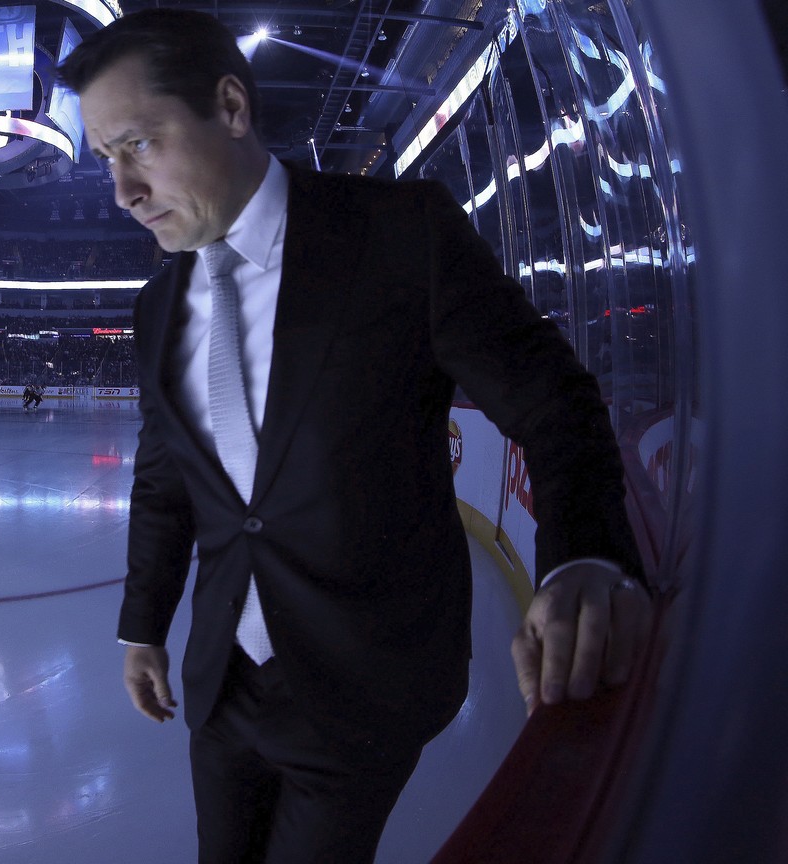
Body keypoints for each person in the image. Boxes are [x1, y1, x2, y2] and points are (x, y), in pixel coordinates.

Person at [58, 10, 653, 863]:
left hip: (361, 690)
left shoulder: (400, 234)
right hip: (222, 684)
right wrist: (142, 625)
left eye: (140, 144)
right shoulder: (157, 307)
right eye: (106, 159)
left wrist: (585, 558)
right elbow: (165, 476)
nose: (123, 192)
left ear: (230, 107)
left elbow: (555, 406)